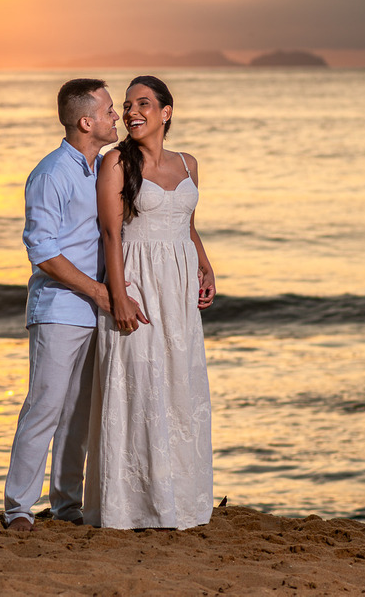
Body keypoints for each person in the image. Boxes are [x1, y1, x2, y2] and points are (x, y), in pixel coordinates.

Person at [2, 78, 138, 531]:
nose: (115, 116)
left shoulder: (99, 167)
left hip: (92, 310)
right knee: (45, 407)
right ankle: (18, 508)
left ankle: (65, 506)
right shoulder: (52, 173)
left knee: (79, 414)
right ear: (86, 121)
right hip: (61, 307)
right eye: (107, 110)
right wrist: (100, 291)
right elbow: (42, 252)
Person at [85, 74, 217, 530]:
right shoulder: (116, 162)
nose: (131, 112)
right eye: (126, 106)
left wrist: (205, 264)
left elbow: (188, 223)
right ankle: (133, 505)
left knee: (179, 386)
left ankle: (180, 500)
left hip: (178, 290)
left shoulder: (188, 163)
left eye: (143, 103)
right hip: (139, 282)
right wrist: (118, 296)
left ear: (167, 112)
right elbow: (110, 234)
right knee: (139, 384)